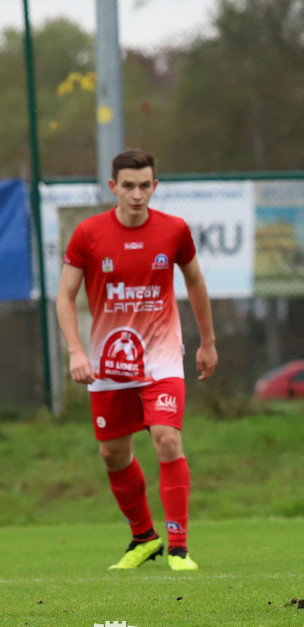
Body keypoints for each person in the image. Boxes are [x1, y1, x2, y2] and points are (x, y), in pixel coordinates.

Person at [56, 149, 217, 572]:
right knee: (112, 454)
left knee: (166, 438)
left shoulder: (174, 230)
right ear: (113, 188)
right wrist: (75, 351)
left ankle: (179, 547)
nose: (137, 194)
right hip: (108, 364)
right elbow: (64, 297)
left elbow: (196, 281)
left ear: (154, 186)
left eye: (145, 185)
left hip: (162, 359)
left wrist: (208, 342)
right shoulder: (88, 234)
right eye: (128, 186)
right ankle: (145, 537)